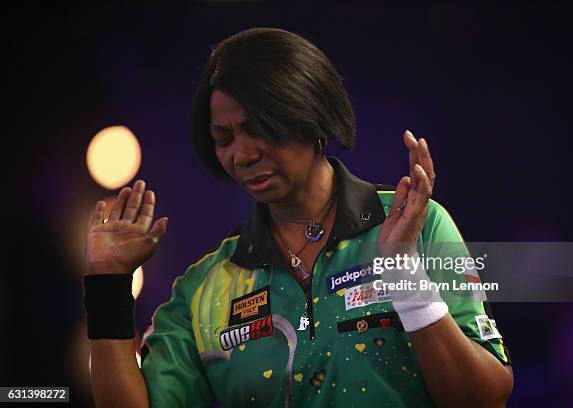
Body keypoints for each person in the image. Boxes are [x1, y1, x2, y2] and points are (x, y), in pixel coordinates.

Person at [83, 27, 513, 407]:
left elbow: (485, 397)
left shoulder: (418, 226)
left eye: (260, 128)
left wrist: (405, 274)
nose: (242, 154)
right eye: (224, 138)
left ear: (311, 115)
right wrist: (107, 281)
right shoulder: (204, 288)